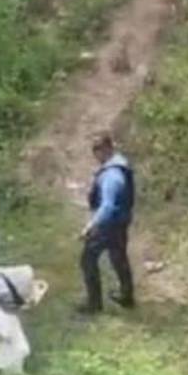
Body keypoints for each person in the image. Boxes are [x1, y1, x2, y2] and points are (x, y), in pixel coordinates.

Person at [78, 132, 136, 315]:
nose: (95, 155)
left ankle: (94, 304)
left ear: (106, 149)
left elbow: (108, 206)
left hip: (108, 225)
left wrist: (90, 226)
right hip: (121, 222)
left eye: (96, 150)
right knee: (118, 257)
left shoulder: (112, 175)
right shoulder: (121, 165)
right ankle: (127, 296)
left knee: (88, 260)